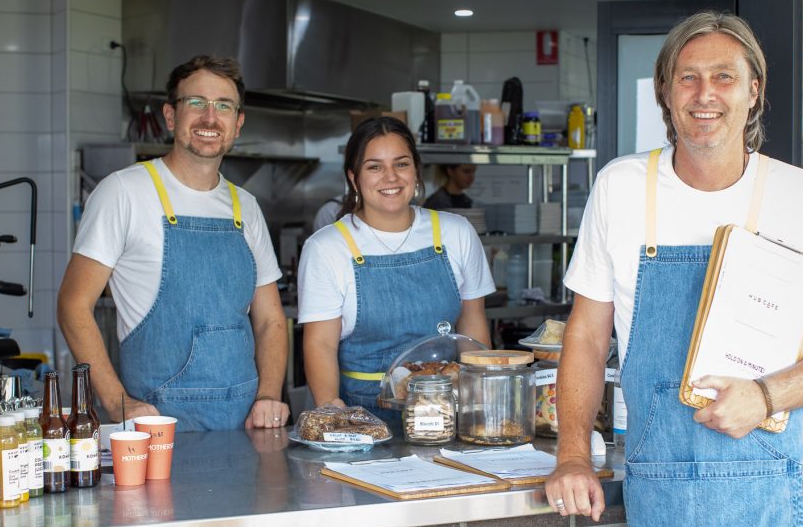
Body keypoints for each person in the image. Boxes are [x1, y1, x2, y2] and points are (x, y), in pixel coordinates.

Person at [544, 11, 803, 527]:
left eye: (725, 76)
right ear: (665, 91)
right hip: (666, 487)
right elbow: (585, 337)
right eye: (688, 77)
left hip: (772, 491)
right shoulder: (620, 188)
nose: (705, 94)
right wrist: (573, 454)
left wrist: (768, 395)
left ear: (754, 90)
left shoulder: (802, 196)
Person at [57, 55, 290, 432]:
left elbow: (270, 320)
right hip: (157, 426)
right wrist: (118, 402)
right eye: (195, 103)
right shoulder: (124, 191)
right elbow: (72, 305)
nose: (210, 118)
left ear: (238, 123)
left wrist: (267, 395)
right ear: (170, 116)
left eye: (223, 106)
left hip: (246, 427)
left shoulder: (246, 206)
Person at [298, 117, 494, 422]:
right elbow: (320, 343)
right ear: (354, 178)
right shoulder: (327, 247)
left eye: (401, 164)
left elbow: (473, 322)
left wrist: (482, 401)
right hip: (361, 413)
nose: (390, 177)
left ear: (416, 170)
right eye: (374, 167)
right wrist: (332, 408)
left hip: (444, 406)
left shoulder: (456, 232)